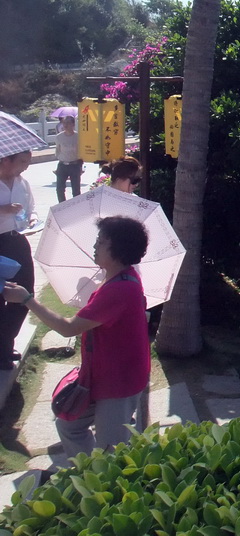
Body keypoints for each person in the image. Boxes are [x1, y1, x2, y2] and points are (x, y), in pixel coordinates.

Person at [3, 216, 150, 457]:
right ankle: (90, 475)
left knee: (111, 448)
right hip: (100, 375)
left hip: (119, 382)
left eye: (101, 242)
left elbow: (68, 328)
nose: (94, 246)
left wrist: (27, 299)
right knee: (69, 426)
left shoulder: (121, 288)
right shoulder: (119, 277)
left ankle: (107, 487)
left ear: (118, 249)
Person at [0, 150, 37, 370]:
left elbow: (31, 208)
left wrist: (32, 218)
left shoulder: (23, 183)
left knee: (24, 293)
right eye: (23, 161)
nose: (26, 166)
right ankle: (2, 350)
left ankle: (6, 342)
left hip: (16, 242)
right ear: (6, 159)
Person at [54, 117, 84, 202]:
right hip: (62, 165)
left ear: (73, 124)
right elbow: (58, 151)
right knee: (59, 189)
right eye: (64, 123)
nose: (66, 125)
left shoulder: (78, 137)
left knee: (76, 190)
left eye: (68, 123)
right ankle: (62, 206)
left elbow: (81, 152)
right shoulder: (58, 137)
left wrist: (80, 165)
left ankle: (76, 208)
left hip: (75, 165)